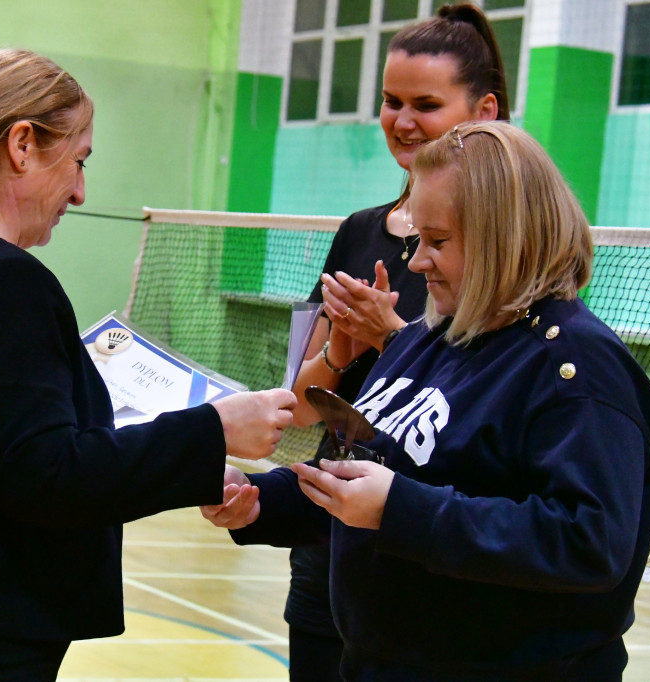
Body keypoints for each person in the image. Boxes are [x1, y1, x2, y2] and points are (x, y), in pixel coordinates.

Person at [0, 48, 296, 680]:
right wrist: (213, 429)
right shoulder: (3, 282)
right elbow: (46, 476)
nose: (82, 190)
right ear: (22, 146)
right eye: (80, 160)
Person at [266, 121, 650, 678]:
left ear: (506, 237)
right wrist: (259, 501)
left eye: (438, 241)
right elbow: (371, 476)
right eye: (416, 240)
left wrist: (404, 510)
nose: (418, 262)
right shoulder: (429, 336)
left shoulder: (577, 367)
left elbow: (589, 541)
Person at [201, 5, 508, 680]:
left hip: (430, 551)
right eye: (391, 101)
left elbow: (486, 398)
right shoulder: (360, 231)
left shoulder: (507, 247)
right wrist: (342, 349)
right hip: (331, 542)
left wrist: (393, 337)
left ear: (483, 108)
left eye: (426, 103)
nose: (402, 121)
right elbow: (305, 403)